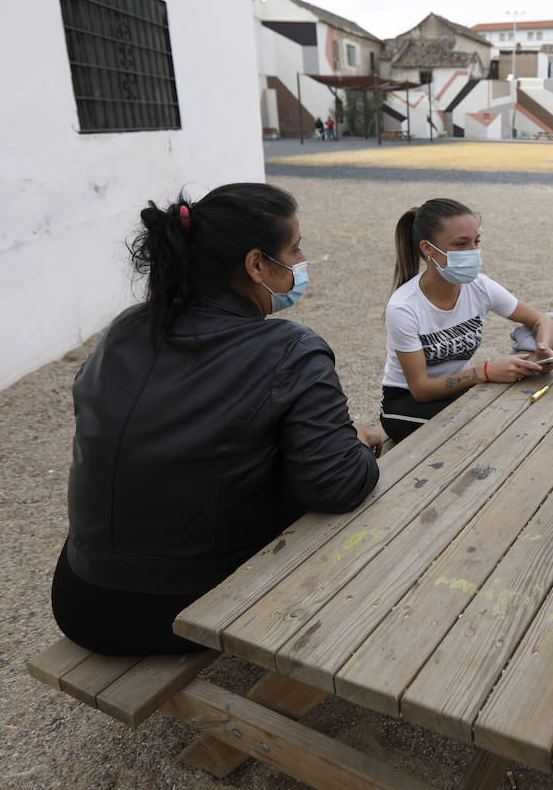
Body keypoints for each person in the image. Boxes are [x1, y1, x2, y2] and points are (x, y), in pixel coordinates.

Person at [51, 183, 384, 656]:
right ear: (256, 265)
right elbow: (338, 486)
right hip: (186, 610)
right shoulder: (290, 349)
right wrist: (352, 439)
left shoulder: (127, 327)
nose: (303, 258)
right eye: (294, 248)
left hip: (81, 597)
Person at [380, 198, 553, 443]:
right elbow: (421, 390)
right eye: (461, 244)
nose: (473, 252)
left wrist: (543, 348)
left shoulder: (480, 286)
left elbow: (541, 320)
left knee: (518, 413)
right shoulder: (403, 307)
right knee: (487, 430)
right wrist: (484, 372)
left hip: (458, 391)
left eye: (476, 242)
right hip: (406, 405)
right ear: (428, 249)